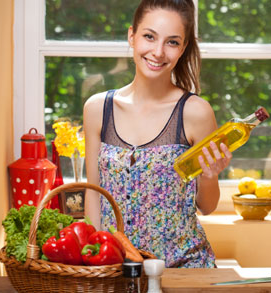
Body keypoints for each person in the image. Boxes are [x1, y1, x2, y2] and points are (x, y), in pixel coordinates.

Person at [84, 0, 232, 268]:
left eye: (172, 42)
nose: (158, 52)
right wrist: (96, 263)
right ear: (132, 36)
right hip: (116, 271)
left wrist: (210, 175)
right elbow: (94, 195)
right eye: (149, 37)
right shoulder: (98, 109)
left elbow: (207, 206)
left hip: (183, 270)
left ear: (183, 48)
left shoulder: (195, 112)